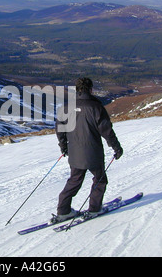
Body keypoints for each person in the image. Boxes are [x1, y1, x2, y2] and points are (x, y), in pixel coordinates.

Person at [52, 77, 123, 223]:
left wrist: (64, 147)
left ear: (77, 90)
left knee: (74, 181)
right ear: (90, 90)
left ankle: (63, 211)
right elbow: (107, 131)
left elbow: (60, 130)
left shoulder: (66, 108)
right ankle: (94, 208)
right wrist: (116, 148)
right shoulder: (96, 107)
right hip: (93, 153)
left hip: (75, 153)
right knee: (100, 180)